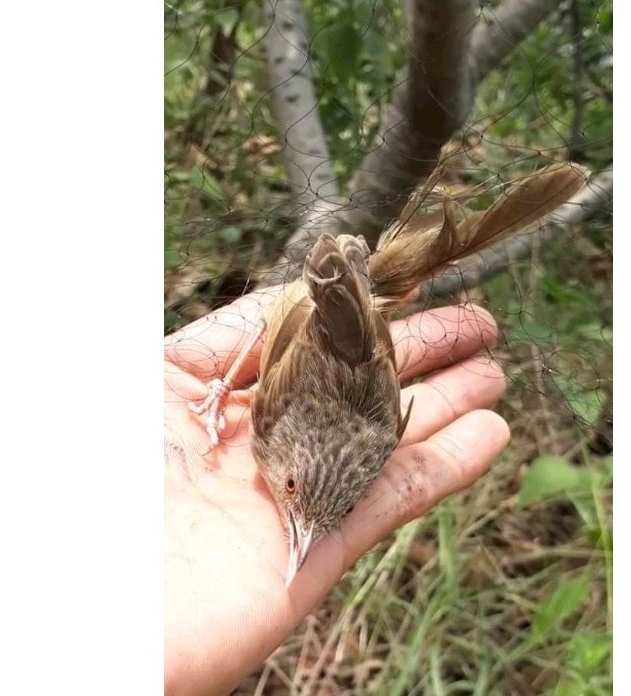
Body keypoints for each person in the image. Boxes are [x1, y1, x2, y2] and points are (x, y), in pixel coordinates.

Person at [164, 288, 510, 696]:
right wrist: (222, 386)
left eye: (340, 511)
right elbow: (271, 321)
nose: (305, 538)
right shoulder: (275, 422)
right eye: (291, 486)